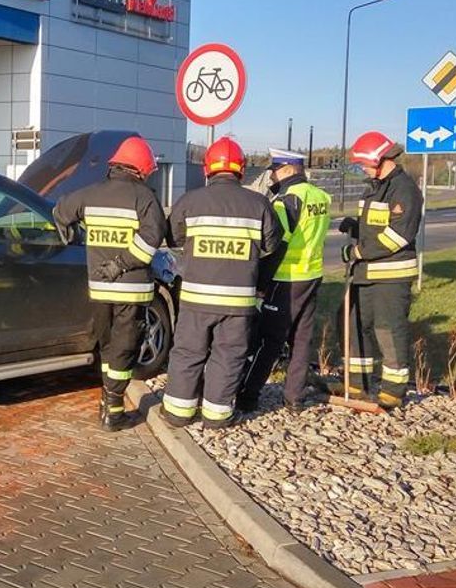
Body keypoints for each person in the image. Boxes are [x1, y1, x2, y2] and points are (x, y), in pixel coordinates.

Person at [160, 137, 283, 429]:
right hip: (237, 302)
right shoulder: (259, 204)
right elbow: (271, 244)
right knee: (228, 356)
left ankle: (178, 412)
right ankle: (217, 415)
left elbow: (173, 238)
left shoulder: (190, 201)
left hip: (196, 299)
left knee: (188, 352)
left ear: (207, 169)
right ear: (241, 170)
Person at [54, 135, 167, 431]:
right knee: (124, 348)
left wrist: (69, 232)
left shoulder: (89, 193)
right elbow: (151, 241)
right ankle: (113, 410)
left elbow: (60, 211)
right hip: (132, 290)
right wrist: (120, 265)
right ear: (141, 169)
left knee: (107, 346)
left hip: (99, 289)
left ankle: (108, 400)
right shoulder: (145, 199)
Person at [330, 130, 423, 409]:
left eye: (363, 163)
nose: (361, 168)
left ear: (380, 159)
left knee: (388, 330)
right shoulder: (376, 186)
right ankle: (356, 385)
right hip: (366, 274)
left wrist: (358, 251)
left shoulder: (404, 190)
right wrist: (355, 226)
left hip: (390, 276)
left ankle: (393, 392)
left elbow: (397, 236)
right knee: (352, 324)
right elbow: (375, 225)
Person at [237, 148, 332, 413]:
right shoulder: (320, 197)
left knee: (269, 341)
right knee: (302, 340)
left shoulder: (287, 201)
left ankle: (248, 395)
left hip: (285, 279)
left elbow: (275, 247)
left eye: (275, 170)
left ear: (290, 169)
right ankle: (295, 398)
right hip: (311, 276)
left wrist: (260, 286)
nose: (272, 176)